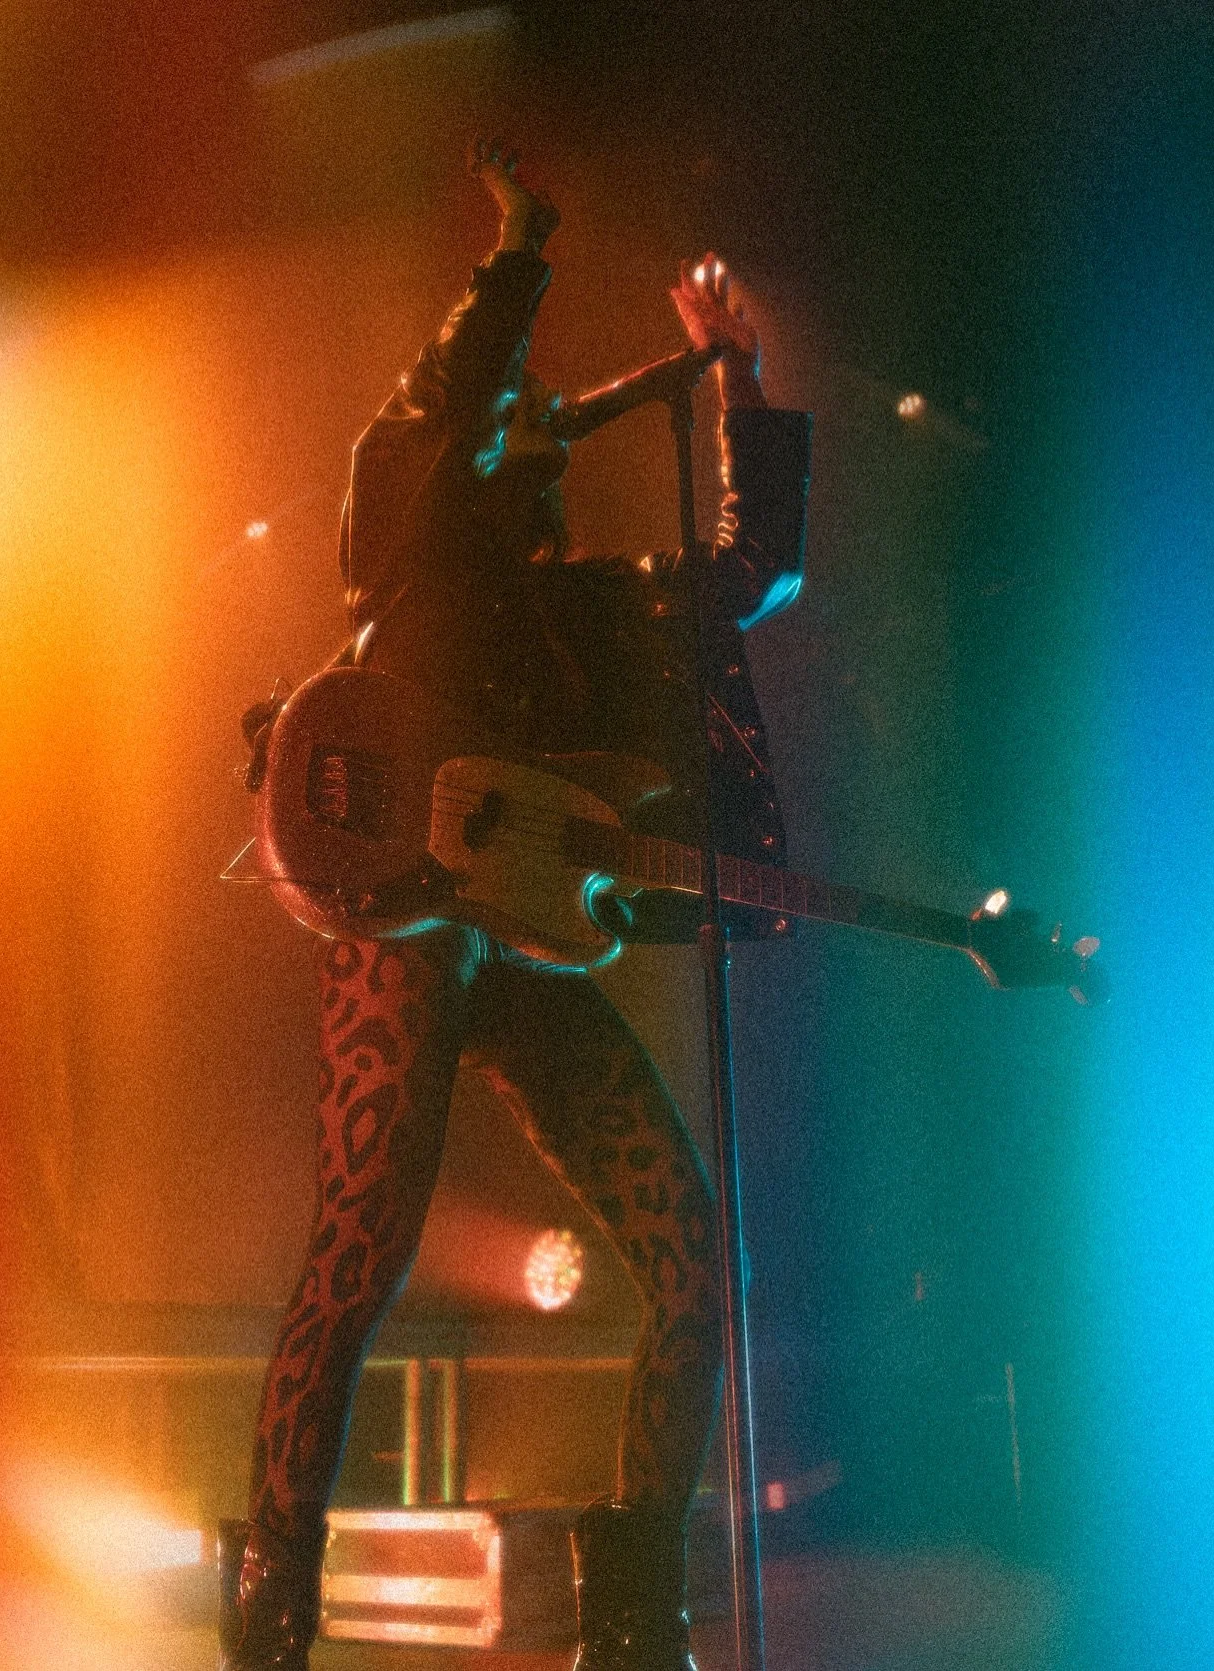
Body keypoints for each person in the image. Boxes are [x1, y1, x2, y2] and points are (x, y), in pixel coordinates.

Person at [219, 140, 812, 1671]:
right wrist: (520, 261)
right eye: (502, 428)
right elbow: (438, 414)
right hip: (403, 934)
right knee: (359, 1253)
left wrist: (738, 388)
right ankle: (269, 1619)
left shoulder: (578, 608)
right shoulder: (402, 544)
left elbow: (749, 572)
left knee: (692, 1250)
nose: (518, 443)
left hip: (532, 938)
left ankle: (632, 1621)